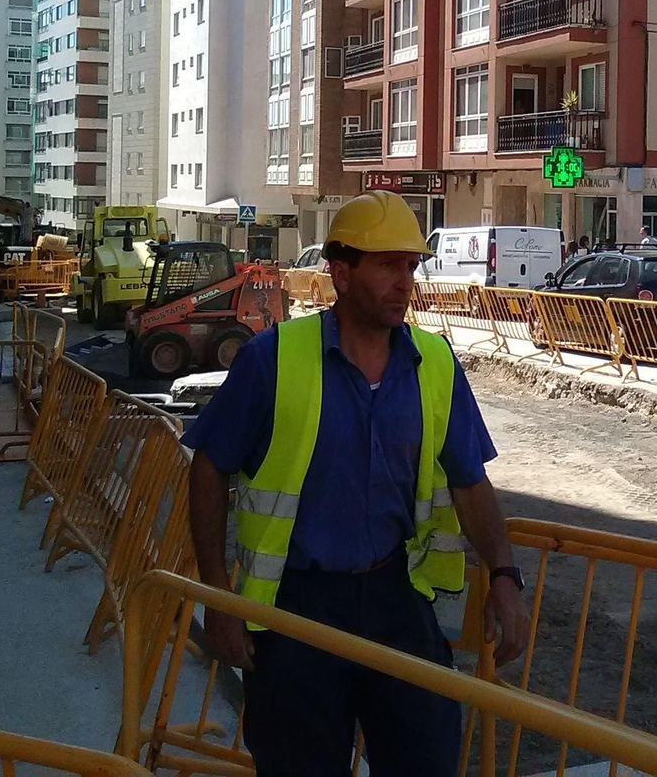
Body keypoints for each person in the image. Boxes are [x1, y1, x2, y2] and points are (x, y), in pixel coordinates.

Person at [185, 191, 529, 776]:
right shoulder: (272, 360)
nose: (405, 282)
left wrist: (503, 575)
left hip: (398, 599)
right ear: (341, 274)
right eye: (388, 265)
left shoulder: (436, 363)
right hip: (297, 610)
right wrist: (218, 599)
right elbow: (208, 468)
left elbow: (470, 481)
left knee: (426, 759)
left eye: (412, 266)